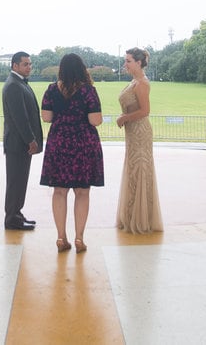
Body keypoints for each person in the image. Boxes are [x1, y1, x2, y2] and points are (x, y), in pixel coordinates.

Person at [39, 53, 104, 253]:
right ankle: (79, 238)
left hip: (59, 142)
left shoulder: (51, 90)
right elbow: (95, 120)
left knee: (59, 191)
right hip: (83, 143)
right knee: (82, 192)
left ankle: (61, 237)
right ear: (81, 69)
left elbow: (46, 117)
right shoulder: (88, 91)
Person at [115, 47, 163, 234]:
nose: (125, 64)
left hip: (140, 132)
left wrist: (124, 118)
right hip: (132, 132)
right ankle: (131, 214)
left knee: (140, 170)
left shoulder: (141, 83)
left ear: (139, 62)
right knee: (133, 170)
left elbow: (145, 111)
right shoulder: (134, 81)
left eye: (128, 61)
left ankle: (142, 218)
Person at [2, 51, 43, 230]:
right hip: (18, 144)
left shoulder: (18, 83)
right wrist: (31, 140)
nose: (29, 67)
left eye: (30, 64)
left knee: (20, 181)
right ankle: (12, 218)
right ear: (15, 65)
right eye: (25, 64)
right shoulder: (13, 85)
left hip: (20, 144)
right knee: (15, 182)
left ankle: (16, 214)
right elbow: (20, 118)